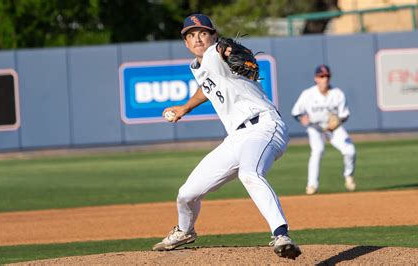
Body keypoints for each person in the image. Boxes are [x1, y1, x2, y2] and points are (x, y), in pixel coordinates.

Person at [152, 14, 301, 259]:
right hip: (235, 139)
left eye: (202, 33)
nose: (197, 38)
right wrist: (185, 107)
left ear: (213, 35)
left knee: (249, 173)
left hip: (264, 126)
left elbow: (222, 51)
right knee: (187, 193)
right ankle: (185, 231)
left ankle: (281, 233)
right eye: (191, 35)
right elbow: (207, 86)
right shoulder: (197, 67)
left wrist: (224, 48)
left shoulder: (216, 52)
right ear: (186, 44)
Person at [291, 65, 356, 195]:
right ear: (316, 78)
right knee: (318, 151)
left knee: (350, 151)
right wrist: (301, 118)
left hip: (333, 128)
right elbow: (295, 112)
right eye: (321, 76)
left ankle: (348, 176)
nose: (324, 79)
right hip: (315, 127)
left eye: (327, 76)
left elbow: (345, 114)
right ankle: (312, 185)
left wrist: (338, 122)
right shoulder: (308, 94)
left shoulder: (337, 93)